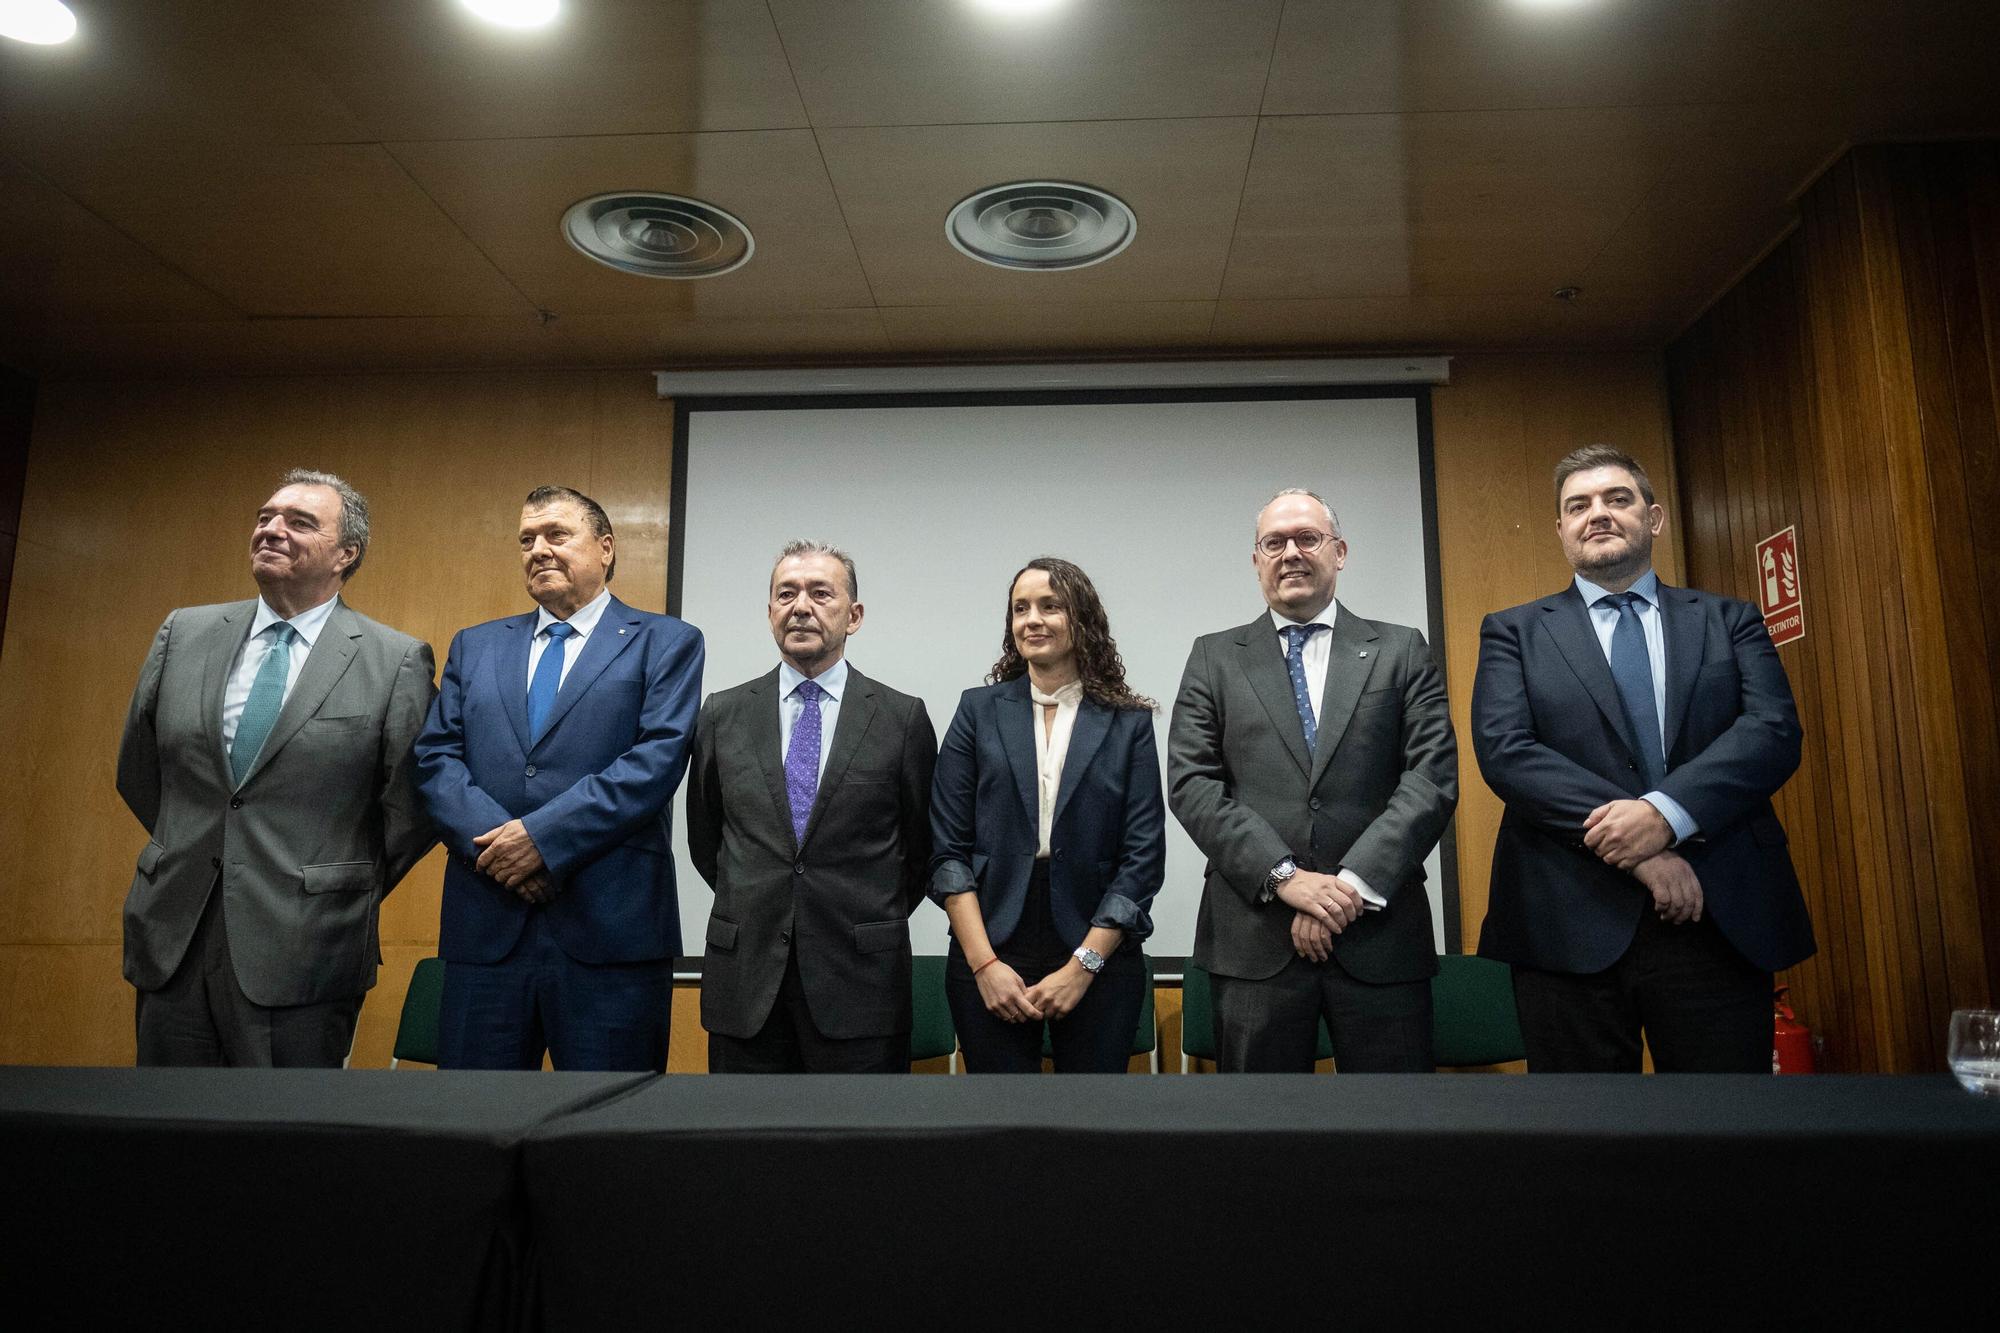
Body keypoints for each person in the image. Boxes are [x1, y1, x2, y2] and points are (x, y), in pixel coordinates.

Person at [1473, 445, 1814, 1072]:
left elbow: (1771, 731)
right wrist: (1647, 851)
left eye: (1617, 499)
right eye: (1578, 506)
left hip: (1717, 912)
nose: (1597, 514)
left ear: (1653, 519)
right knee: (1585, 1141)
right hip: (1567, 919)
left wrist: (1666, 814)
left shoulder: (1728, 619)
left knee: (1725, 1133)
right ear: (1561, 530)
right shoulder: (1514, 631)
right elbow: (1507, 752)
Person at [116, 468, 435, 1066]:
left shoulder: (395, 661)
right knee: (164, 1138)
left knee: (283, 1145)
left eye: (299, 522)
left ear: (347, 554)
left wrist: (331, 882)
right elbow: (139, 769)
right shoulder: (183, 633)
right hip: (174, 932)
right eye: (266, 517)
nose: (272, 530)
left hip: (308, 942)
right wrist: (196, 841)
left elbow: (411, 809)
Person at [414, 485, 703, 1071]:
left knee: (607, 1134)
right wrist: (505, 849)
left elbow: (656, 762)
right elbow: (436, 759)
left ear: (605, 547)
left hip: (611, 932)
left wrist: (542, 841)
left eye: (556, 534)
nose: (539, 549)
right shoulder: (476, 645)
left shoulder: (666, 642)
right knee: (471, 1126)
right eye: (527, 540)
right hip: (487, 927)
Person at [1168, 488, 1457, 1072]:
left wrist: (1347, 886)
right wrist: (1285, 879)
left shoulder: (1400, 649)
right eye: (1273, 542)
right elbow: (1193, 784)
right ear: (1256, 560)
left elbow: (1430, 776)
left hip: (1378, 936)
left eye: (1307, 538)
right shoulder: (1214, 657)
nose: (1290, 553)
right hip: (1255, 942)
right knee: (1259, 1140)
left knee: (1397, 1132)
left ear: (1340, 551)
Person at [686, 541, 936, 1073]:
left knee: (858, 1153)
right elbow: (707, 842)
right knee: (747, 1151)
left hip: (862, 984)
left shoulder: (902, 718)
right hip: (746, 982)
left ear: (855, 616)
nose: (801, 606)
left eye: (821, 593)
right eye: (786, 594)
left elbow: (921, 852)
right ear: (770, 611)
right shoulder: (721, 714)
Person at [929, 557, 1165, 1073]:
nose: (1032, 619)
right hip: (990, 938)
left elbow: (1143, 860)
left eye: (1050, 606)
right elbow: (947, 851)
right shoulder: (977, 710)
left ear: (1081, 619)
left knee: (1093, 1126)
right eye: (1020, 609)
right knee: (997, 1131)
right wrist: (985, 965)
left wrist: (1084, 966)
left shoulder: (1128, 724)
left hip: (1097, 942)